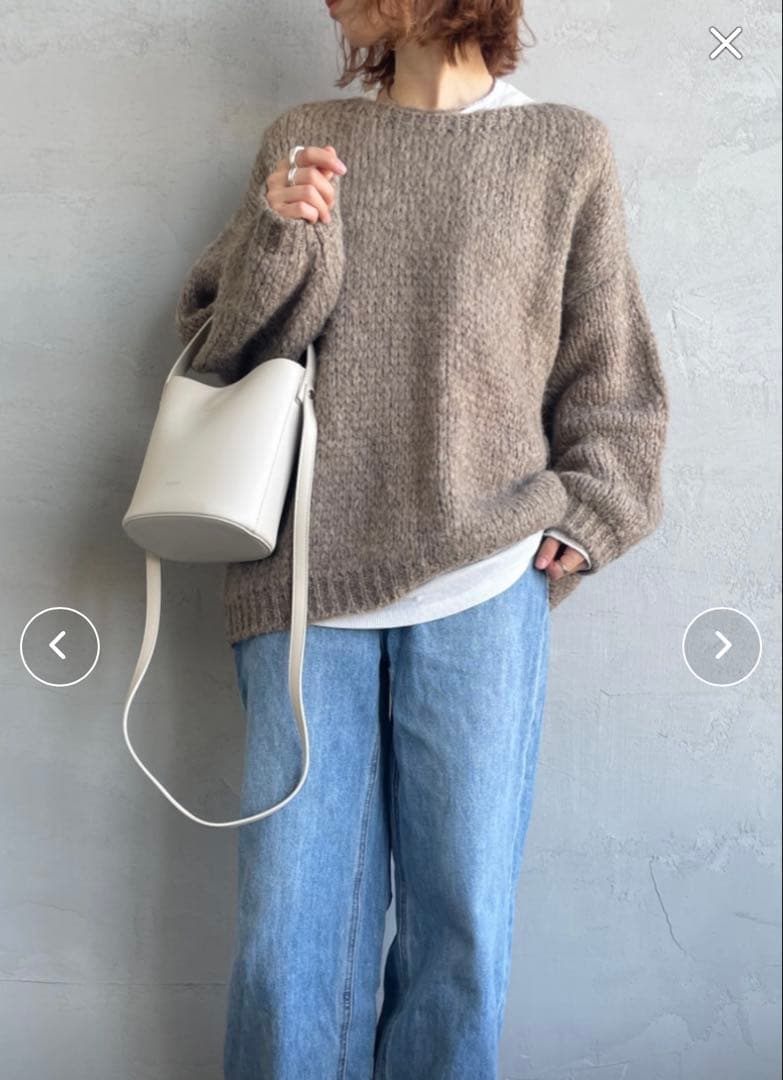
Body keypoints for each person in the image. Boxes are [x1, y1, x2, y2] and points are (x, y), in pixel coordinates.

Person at [174, 2, 669, 1076]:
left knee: (461, 938)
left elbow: (609, 369)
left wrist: (595, 508)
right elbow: (216, 354)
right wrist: (278, 236)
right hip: (303, 589)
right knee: (288, 946)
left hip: (487, 579)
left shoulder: (563, 148)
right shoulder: (306, 138)